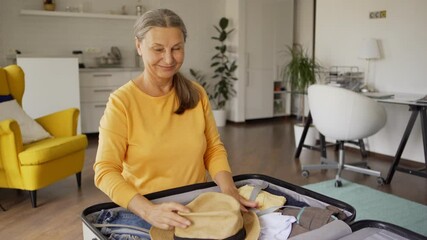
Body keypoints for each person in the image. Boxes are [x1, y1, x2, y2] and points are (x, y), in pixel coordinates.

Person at [93, 8, 257, 232]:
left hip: (196, 207)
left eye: (176, 48)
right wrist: (149, 211)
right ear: (139, 46)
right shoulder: (122, 103)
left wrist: (229, 191)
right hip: (146, 211)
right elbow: (105, 170)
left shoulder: (196, 94)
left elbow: (213, 149)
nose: (169, 59)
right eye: (158, 49)